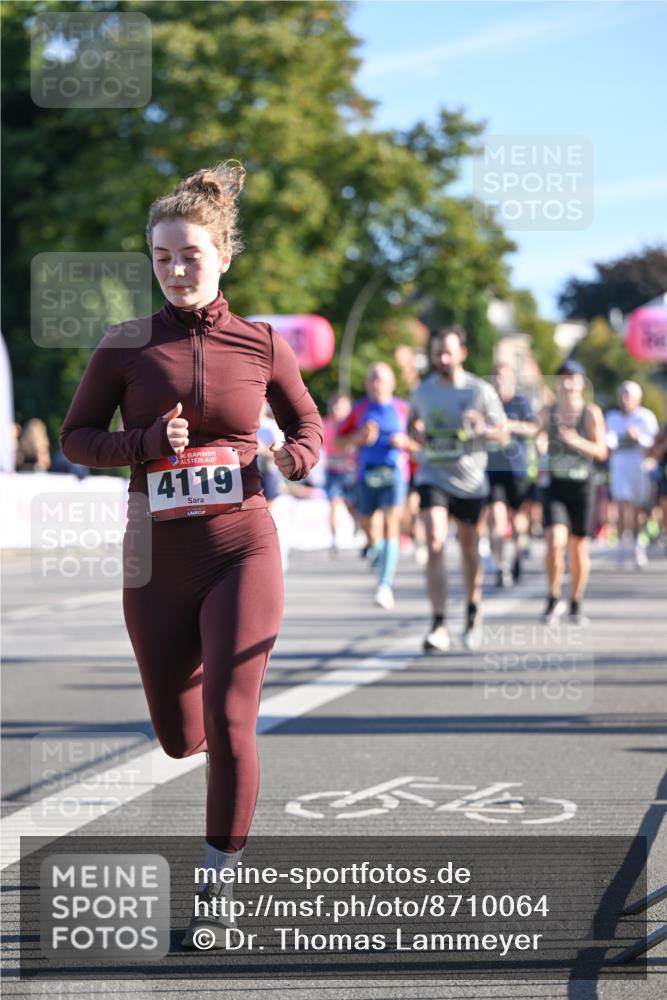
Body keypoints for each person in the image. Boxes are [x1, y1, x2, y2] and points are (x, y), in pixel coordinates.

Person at [60, 160, 323, 948]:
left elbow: (310, 427)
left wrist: (294, 457)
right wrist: (144, 441)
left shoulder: (263, 344)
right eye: (163, 257)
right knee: (180, 736)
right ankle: (205, 725)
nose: (177, 269)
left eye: (191, 256)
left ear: (223, 258)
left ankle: (218, 885)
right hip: (154, 557)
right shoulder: (126, 344)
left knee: (230, 719)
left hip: (243, 544)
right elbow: (77, 439)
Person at [408, 326, 507, 652]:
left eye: (449, 352)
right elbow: (413, 426)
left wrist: (482, 427)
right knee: (435, 540)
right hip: (433, 476)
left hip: (471, 481)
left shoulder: (480, 391)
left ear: (462, 353)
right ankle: (438, 623)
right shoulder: (423, 392)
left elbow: (503, 434)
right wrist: (417, 434)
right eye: (438, 353)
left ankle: (473, 608)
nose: (443, 358)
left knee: (468, 546)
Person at [336, 362, 414, 610]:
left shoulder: (404, 409)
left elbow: (420, 441)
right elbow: (338, 440)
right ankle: (379, 553)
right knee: (369, 526)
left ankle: (385, 584)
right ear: (367, 383)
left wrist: (405, 442)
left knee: (392, 523)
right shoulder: (359, 410)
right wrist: (359, 438)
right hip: (366, 473)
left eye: (381, 379)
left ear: (392, 383)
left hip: (394, 473)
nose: (377, 384)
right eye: (373, 379)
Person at [537, 359, 607, 624]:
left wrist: (577, 441)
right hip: (555, 486)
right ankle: (553, 597)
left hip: (582, 487)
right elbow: (537, 433)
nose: (567, 383)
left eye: (573, 378)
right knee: (555, 541)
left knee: (578, 548)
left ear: (581, 383)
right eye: (563, 378)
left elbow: (601, 451)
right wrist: (541, 444)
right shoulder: (548, 411)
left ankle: (576, 602)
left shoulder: (590, 413)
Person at [485, 363, 539, 587]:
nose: (500, 382)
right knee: (496, 518)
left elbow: (534, 428)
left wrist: (511, 426)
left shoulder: (520, 402)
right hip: (492, 468)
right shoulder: (486, 403)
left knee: (518, 522)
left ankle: (516, 557)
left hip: (517, 469)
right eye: (496, 377)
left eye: (504, 378)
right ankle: (501, 566)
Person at [605, 381, 658, 568]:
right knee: (621, 506)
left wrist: (638, 438)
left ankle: (637, 546)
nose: (625, 399)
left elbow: (654, 445)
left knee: (636, 511)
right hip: (619, 469)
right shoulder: (612, 417)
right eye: (623, 395)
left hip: (638, 469)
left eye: (629, 395)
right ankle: (621, 545)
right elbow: (608, 442)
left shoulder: (646, 418)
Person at [321, 392, 356, 554]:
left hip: (349, 471)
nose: (338, 409)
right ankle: (334, 539)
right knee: (334, 503)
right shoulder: (324, 424)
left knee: (351, 505)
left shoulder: (352, 425)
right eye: (335, 406)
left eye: (342, 406)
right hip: (332, 471)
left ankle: (358, 525)